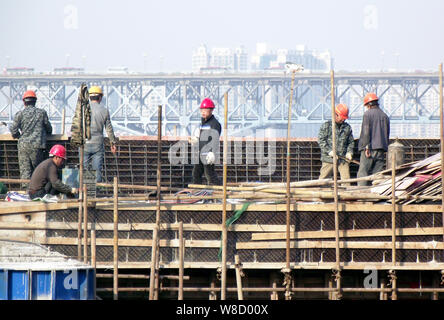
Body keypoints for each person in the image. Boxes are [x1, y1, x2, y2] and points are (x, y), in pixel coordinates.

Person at [9, 90, 52, 185]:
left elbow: (13, 130)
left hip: (23, 146)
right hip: (37, 146)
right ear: (35, 101)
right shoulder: (42, 113)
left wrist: (18, 136)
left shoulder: (20, 114)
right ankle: (37, 190)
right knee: (38, 170)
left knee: (25, 172)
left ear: (24, 102)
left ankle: (26, 192)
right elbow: (49, 128)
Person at [84, 86, 117, 182]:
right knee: (97, 169)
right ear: (100, 98)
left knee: (84, 169)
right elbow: (109, 129)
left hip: (84, 143)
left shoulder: (82, 109)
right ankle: (95, 194)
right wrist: (112, 143)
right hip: (98, 143)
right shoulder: (104, 110)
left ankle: (85, 192)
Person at [357, 92, 390, 186]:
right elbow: (386, 134)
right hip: (381, 149)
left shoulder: (367, 114)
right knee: (377, 175)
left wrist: (366, 147)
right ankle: (376, 194)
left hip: (370, 149)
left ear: (369, 104)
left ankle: (360, 194)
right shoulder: (385, 116)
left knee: (363, 172)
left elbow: (366, 132)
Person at [317, 104, 354, 184]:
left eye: (344, 118)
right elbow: (321, 140)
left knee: (346, 181)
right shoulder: (326, 126)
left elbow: (350, 142)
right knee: (323, 180)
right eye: (342, 118)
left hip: (343, 159)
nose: (343, 120)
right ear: (336, 115)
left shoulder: (347, 127)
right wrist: (329, 151)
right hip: (328, 158)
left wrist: (349, 152)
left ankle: (347, 195)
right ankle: (321, 194)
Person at [190, 98, 221, 185]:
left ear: (211, 111)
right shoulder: (202, 123)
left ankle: (217, 192)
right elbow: (201, 137)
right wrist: (196, 140)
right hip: (201, 153)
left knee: (210, 175)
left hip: (208, 154)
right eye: (202, 110)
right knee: (196, 174)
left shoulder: (215, 124)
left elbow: (215, 140)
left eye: (205, 110)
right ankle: (197, 192)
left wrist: (212, 153)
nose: (203, 112)